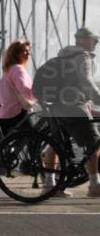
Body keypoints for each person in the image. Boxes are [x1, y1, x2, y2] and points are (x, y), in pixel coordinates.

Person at [38, 26, 100, 197]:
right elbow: (86, 81)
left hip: (56, 104)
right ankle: (94, 185)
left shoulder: (64, 55)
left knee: (55, 143)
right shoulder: (83, 56)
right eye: (94, 39)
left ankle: (50, 185)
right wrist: (97, 99)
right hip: (74, 106)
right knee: (93, 143)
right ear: (83, 40)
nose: (96, 43)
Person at [0, 40, 37, 135]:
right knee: (33, 136)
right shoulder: (18, 69)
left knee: (2, 142)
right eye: (25, 51)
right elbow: (25, 90)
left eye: (28, 51)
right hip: (16, 112)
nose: (28, 53)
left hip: (3, 112)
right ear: (16, 53)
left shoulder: (8, 69)